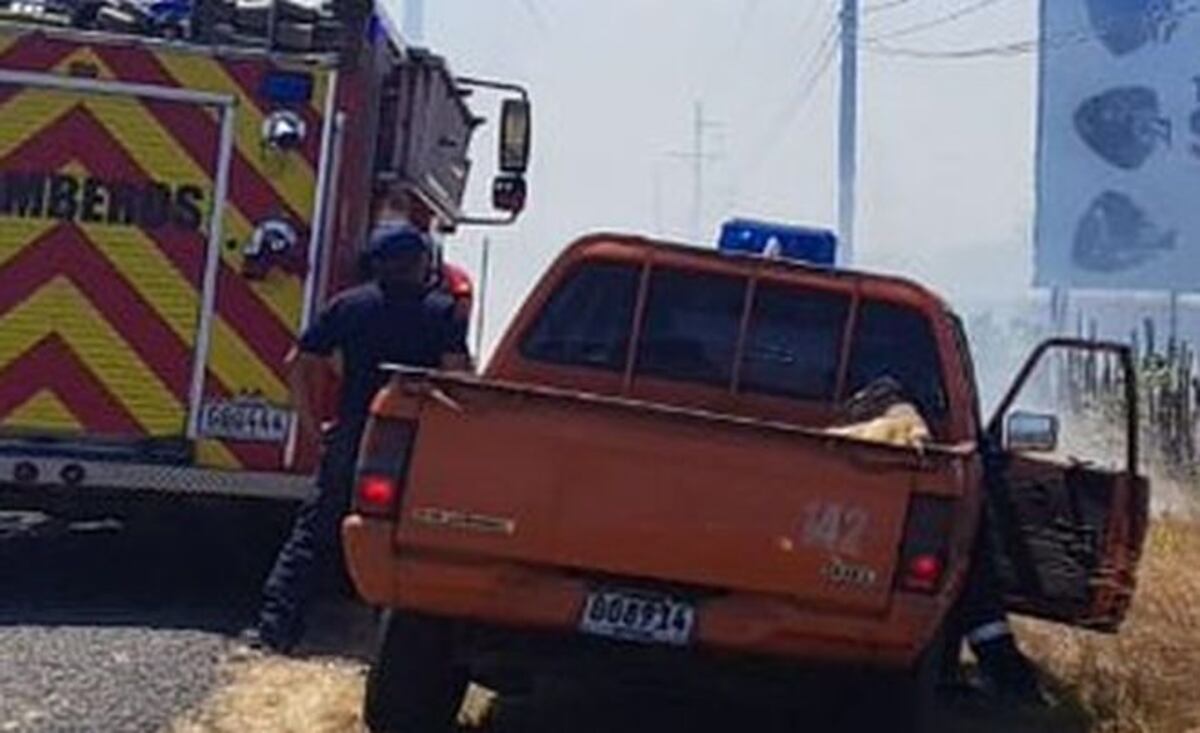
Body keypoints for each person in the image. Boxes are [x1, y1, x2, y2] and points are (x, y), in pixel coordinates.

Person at [247, 223, 471, 653]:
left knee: (314, 533)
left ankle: (275, 632)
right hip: (411, 439)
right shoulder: (442, 313)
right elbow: (458, 379)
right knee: (403, 539)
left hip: (352, 432)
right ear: (421, 262)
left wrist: (312, 425)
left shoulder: (348, 306)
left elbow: (297, 362)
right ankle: (384, 643)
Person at [832, 377, 1047, 705]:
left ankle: (996, 678)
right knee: (972, 595)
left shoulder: (889, 435)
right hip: (905, 616)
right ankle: (1005, 680)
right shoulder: (942, 458)